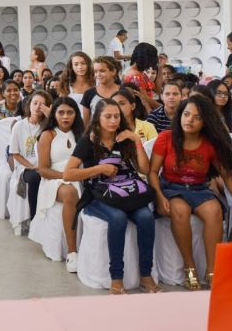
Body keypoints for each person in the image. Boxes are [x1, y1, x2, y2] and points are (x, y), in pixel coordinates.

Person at [148, 95, 232, 290]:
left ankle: (212, 269)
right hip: (171, 188)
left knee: (215, 212)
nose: (189, 120)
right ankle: (189, 267)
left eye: (196, 117)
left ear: (205, 122)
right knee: (180, 212)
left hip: (199, 189)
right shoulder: (166, 138)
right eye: (186, 114)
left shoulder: (210, 144)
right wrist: (159, 197)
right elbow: (152, 172)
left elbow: (227, 176)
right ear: (179, 116)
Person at [64, 99, 159, 295]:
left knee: (146, 217)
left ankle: (145, 275)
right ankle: (116, 277)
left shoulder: (125, 138)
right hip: (98, 195)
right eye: (108, 116)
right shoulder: (88, 140)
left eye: (117, 116)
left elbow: (144, 169)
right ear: (98, 119)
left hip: (127, 193)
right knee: (118, 218)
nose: (113, 120)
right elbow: (68, 174)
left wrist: (136, 140)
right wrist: (99, 169)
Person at [36, 97, 85, 272]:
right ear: (54, 114)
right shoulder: (48, 135)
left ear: (76, 114)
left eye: (70, 112)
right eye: (61, 112)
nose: (65, 116)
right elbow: (42, 169)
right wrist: (68, 176)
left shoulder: (81, 133)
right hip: (54, 179)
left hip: (80, 176)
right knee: (70, 194)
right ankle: (72, 253)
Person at [9, 90, 52, 222]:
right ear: (29, 105)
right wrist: (32, 166)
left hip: (45, 165)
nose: (38, 107)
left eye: (42, 104)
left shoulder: (48, 127)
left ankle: (49, 218)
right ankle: (35, 219)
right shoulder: (19, 126)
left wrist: (50, 117)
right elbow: (15, 153)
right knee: (35, 178)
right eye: (35, 103)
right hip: (26, 167)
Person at [122, 42, 161, 113]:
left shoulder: (141, 73)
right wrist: (162, 108)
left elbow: (157, 90)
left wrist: (160, 67)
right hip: (143, 113)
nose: (152, 63)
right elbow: (144, 98)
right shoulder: (135, 76)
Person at [81, 56, 121, 124]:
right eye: (95, 71)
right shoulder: (89, 94)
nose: (98, 74)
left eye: (102, 71)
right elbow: (86, 123)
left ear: (113, 71)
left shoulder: (123, 92)